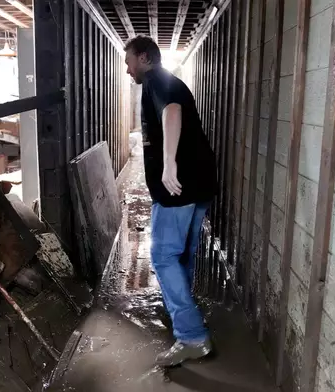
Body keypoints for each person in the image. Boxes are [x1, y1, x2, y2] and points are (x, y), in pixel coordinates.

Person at [124, 35, 218, 367]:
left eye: (129, 60)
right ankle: (183, 310)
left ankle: (191, 335)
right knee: (182, 254)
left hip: (179, 187)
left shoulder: (156, 80)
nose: (127, 68)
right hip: (200, 183)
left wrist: (168, 163)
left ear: (144, 57)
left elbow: (173, 113)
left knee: (163, 256)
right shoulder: (170, 81)